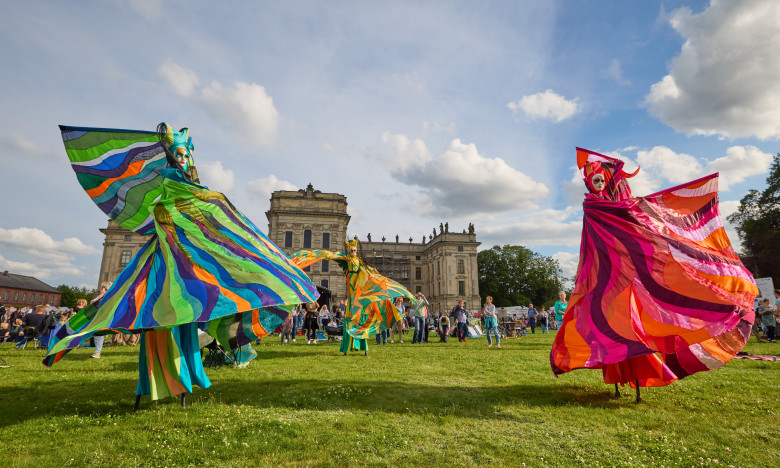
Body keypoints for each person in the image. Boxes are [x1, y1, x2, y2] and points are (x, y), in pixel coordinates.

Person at [45, 123, 318, 407]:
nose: (184, 159)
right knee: (159, 321)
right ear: (169, 155)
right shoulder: (170, 185)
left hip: (184, 272)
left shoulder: (191, 188)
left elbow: (201, 215)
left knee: (183, 322)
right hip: (166, 267)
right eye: (179, 154)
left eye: (187, 155)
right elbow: (175, 214)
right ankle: (159, 381)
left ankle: (179, 379)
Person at [550, 147, 758, 401]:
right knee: (613, 327)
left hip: (625, 276)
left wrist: (619, 179)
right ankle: (617, 382)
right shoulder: (593, 205)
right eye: (595, 179)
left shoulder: (616, 206)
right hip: (607, 277)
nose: (599, 182)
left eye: (602, 178)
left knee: (631, 326)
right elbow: (610, 225)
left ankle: (635, 382)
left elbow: (630, 217)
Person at [290, 239, 412, 355]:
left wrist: (373, 274)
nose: (353, 252)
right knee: (350, 315)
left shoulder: (359, 261)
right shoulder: (346, 259)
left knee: (360, 315)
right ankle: (348, 346)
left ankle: (361, 346)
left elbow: (367, 271)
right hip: (352, 288)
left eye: (354, 250)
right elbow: (335, 257)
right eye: (351, 250)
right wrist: (326, 255)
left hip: (358, 288)